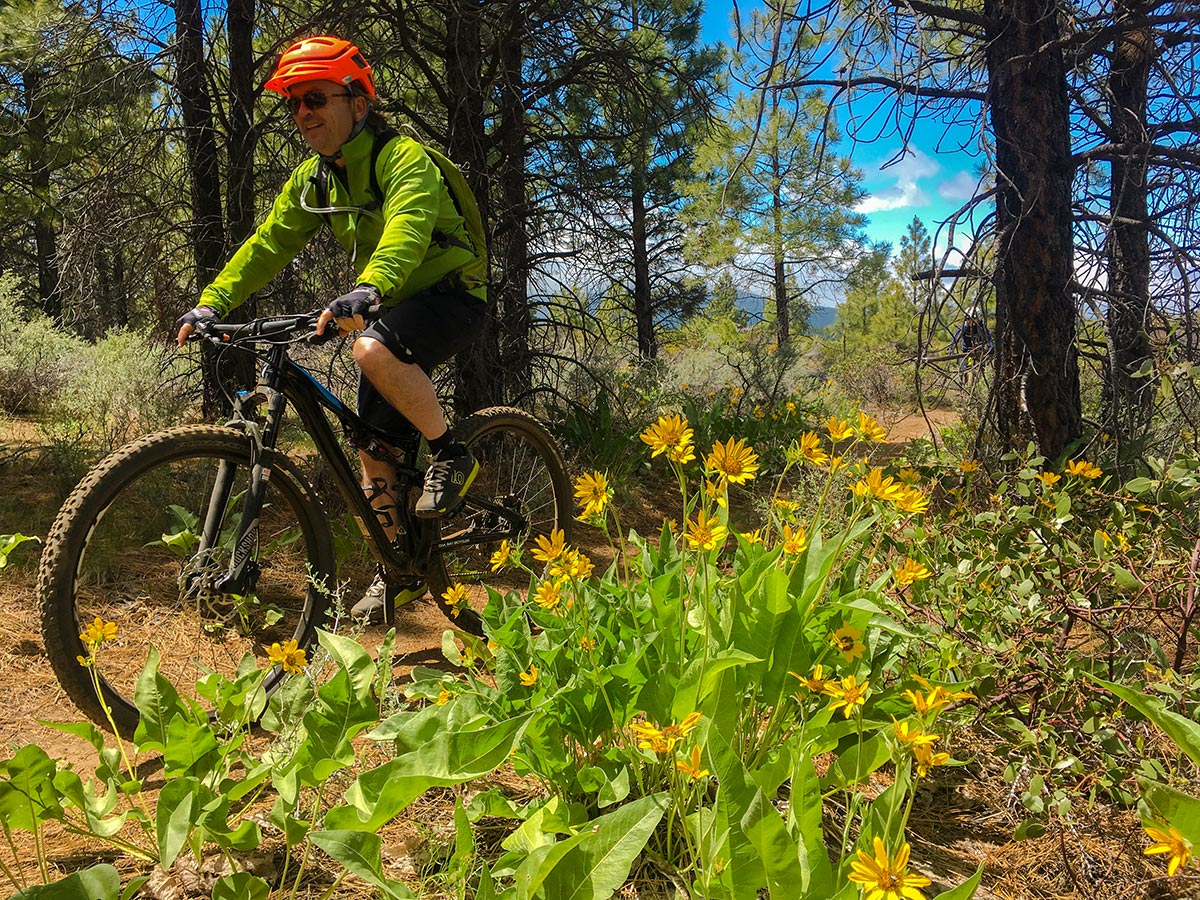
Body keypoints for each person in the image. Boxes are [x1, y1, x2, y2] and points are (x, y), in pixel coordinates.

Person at [175, 36, 488, 620]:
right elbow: (268, 244)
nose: (303, 113)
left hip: (450, 291)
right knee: (373, 442)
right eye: (294, 103)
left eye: (315, 97)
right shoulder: (315, 180)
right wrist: (212, 303)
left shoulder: (403, 160)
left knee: (367, 348)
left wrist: (369, 291)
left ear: (359, 104)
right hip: (390, 298)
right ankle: (399, 570)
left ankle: (451, 452)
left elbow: (408, 227)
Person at [951, 306, 992, 381]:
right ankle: (963, 386)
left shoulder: (982, 328)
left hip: (979, 352)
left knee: (981, 372)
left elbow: (989, 339)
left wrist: (991, 347)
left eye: (973, 319)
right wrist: (951, 349)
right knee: (962, 371)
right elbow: (955, 339)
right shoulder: (963, 328)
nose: (970, 321)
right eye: (968, 319)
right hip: (965, 352)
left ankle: (979, 384)